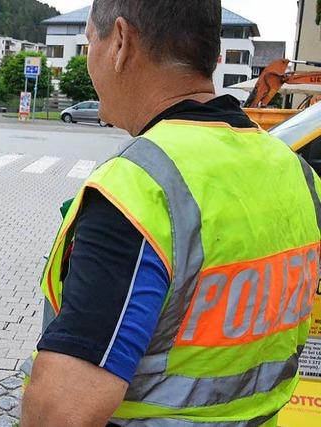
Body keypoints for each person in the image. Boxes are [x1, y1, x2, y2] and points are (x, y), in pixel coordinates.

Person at [22, 1, 321, 426]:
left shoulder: (139, 192)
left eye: (91, 41)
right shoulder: (296, 173)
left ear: (120, 42)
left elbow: (63, 412)